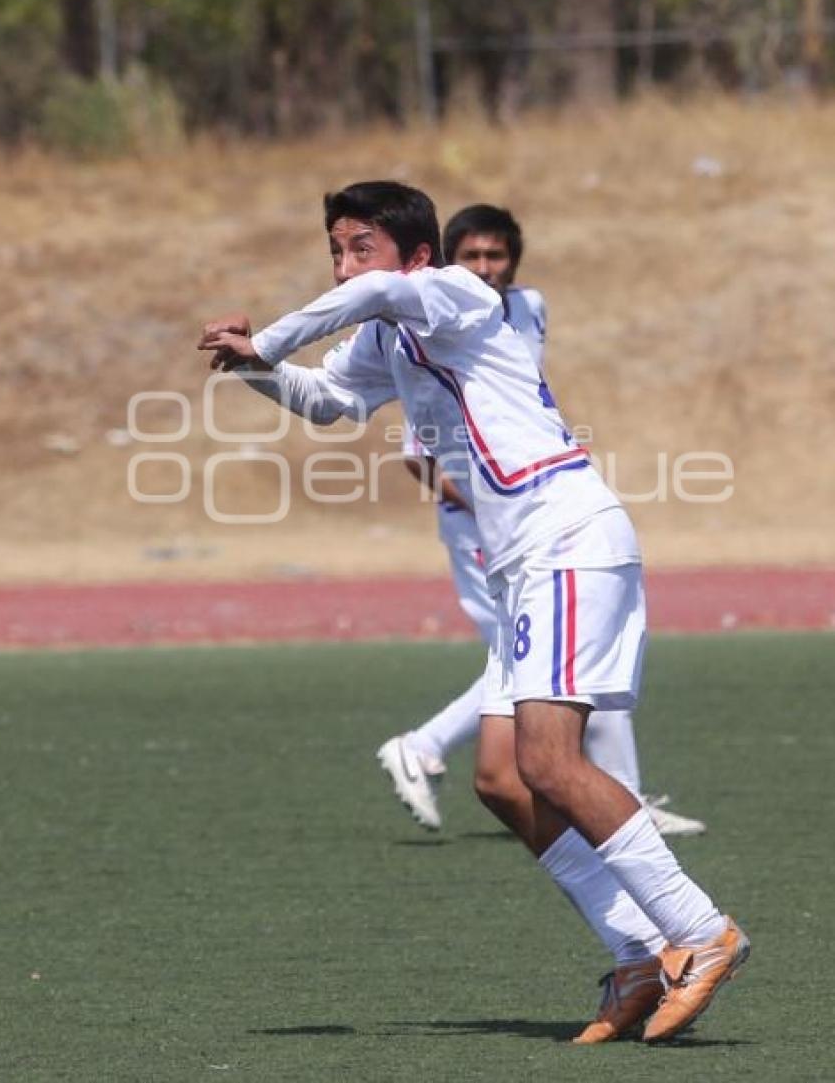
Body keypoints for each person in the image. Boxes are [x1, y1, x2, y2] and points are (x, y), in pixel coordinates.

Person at [198, 180, 749, 1045]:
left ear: (416, 254)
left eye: (359, 246)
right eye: (334, 248)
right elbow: (333, 403)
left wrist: (266, 332)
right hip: (521, 567)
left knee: (551, 760)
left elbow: (376, 294)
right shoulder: (387, 328)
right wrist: (257, 368)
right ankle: (636, 951)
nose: (345, 265)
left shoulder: (454, 289)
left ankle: (701, 929)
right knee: (500, 774)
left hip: (568, 537)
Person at [377, 204, 706, 838]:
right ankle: (421, 745)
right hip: (485, 523)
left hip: (539, 508)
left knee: (576, 655)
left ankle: (624, 799)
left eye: (494, 256)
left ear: (514, 260)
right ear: (448, 261)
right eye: (469, 256)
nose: (483, 267)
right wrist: (490, 500)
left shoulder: (529, 307)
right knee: (538, 662)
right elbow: (415, 453)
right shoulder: (431, 320)